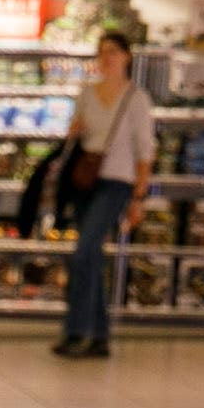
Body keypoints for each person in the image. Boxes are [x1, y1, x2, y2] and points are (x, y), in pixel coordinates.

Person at [47, 20, 152, 359]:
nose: (106, 58)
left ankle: (77, 331)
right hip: (84, 181)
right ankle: (100, 336)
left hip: (117, 183)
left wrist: (139, 198)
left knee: (84, 250)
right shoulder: (87, 93)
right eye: (102, 52)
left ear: (127, 57)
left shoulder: (136, 98)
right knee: (89, 256)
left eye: (113, 52)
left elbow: (146, 150)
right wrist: (73, 131)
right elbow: (76, 136)